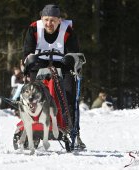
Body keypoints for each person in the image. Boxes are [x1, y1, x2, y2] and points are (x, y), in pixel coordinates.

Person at [22, 4, 85, 149]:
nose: (49, 24)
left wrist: (69, 59)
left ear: (59, 20)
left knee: (69, 93)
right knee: (33, 94)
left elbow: (74, 52)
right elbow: (27, 51)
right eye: (46, 20)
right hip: (38, 63)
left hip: (63, 64)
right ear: (41, 19)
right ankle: (32, 126)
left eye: (52, 20)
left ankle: (71, 128)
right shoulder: (33, 29)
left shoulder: (67, 30)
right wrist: (29, 59)